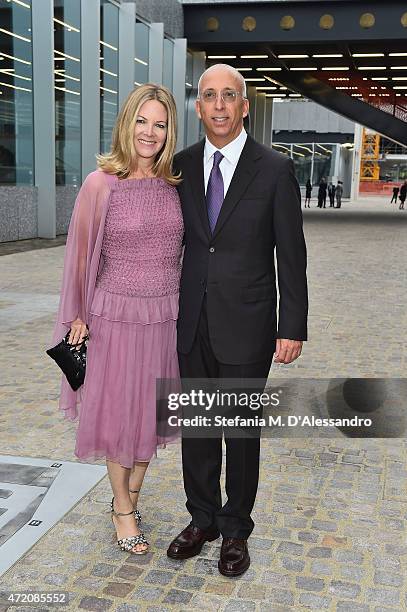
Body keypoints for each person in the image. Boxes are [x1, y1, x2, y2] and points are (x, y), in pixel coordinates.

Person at [166, 64, 308, 577]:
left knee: (240, 433)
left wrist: (291, 324)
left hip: (248, 326)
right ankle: (201, 518)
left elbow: (291, 253)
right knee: (199, 429)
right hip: (190, 323)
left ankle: (234, 529)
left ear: (245, 106)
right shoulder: (178, 167)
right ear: (198, 107)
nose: (220, 105)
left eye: (230, 96)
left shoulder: (274, 169)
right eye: (209, 96)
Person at [50, 84, 183, 555]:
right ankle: (123, 510)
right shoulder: (100, 183)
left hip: (165, 316)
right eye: (142, 122)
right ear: (127, 124)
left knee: (151, 417)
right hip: (114, 317)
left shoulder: (174, 183)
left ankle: (128, 497)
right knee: (118, 416)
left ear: (169, 132)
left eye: (160, 124)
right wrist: (77, 315)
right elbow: (79, 255)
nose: (150, 132)